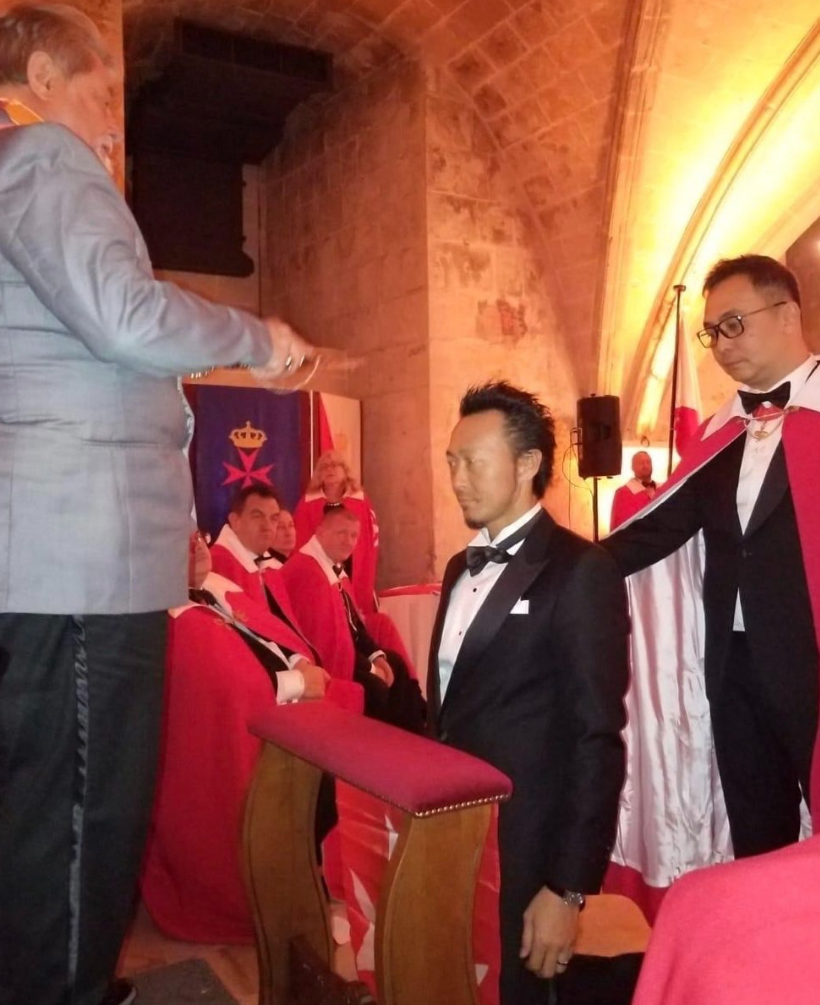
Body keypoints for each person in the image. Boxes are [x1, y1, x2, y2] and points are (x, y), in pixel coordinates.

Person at [0, 6, 315, 1005]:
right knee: (84, 816)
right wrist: (258, 336)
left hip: (56, 554)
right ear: (41, 76)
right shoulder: (42, 157)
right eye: (100, 91)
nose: (109, 117)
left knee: (48, 813)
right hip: (77, 563)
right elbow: (125, 318)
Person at [603, 255, 820, 875]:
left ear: (787, 315)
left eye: (733, 325)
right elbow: (658, 528)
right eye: (712, 332)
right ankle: (765, 935)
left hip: (813, 658)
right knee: (758, 828)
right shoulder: (723, 432)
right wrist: (561, 564)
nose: (721, 346)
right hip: (734, 664)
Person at [429, 381, 630, 1005]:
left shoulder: (581, 570)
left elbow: (597, 738)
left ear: (527, 464)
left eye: (473, 462)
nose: (457, 479)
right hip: (454, 832)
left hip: (527, 847)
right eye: (452, 462)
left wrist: (567, 888)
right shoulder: (458, 567)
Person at [141, 534, 332, 943]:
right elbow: (226, 692)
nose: (199, 549)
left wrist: (298, 659)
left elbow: (271, 632)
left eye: (199, 539)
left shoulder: (216, 588)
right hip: (242, 736)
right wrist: (298, 683)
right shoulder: (172, 617)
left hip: (286, 705)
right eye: (185, 543)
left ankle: (310, 869)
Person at [281, 505, 425, 733]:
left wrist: (376, 656)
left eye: (354, 535)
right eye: (342, 533)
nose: (349, 541)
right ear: (320, 532)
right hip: (321, 666)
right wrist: (372, 668)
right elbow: (329, 641)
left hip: (349, 655)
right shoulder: (307, 571)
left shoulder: (332, 566)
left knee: (394, 663)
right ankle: (388, 742)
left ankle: (418, 730)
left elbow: (354, 624)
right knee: (375, 689)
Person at [293, 450, 379, 612]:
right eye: (324, 467)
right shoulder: (307, 504)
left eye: (335, 465)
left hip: (352, 564)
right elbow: (299, 541)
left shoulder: (360, 501)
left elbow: (369, 540)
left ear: (345, 471)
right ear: (319, 474)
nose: (329, 469)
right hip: (320, 566)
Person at [610, 450, 657, 529]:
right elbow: (618, 526)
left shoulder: (662, 489)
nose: (645, 465)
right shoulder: (622, 493)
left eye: (648, 462)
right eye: (641, 463)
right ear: (632, 467)